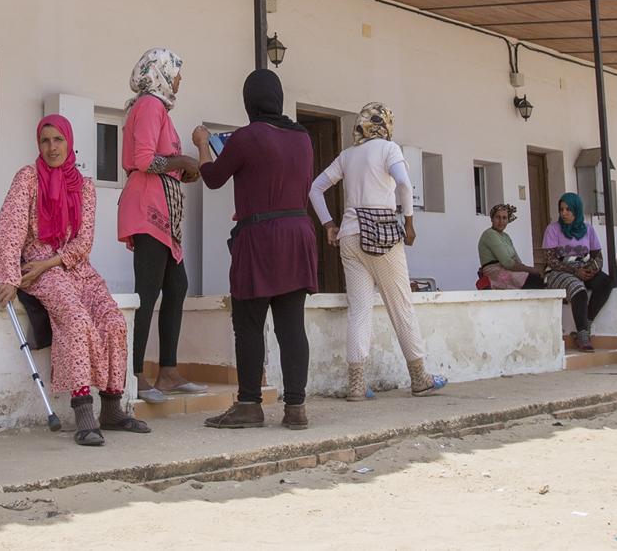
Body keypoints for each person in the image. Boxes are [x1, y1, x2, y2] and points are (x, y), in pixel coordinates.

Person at [0, 115, 149, 447]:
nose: (52, 148)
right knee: (77, 320)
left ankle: (112, 408)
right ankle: (83, 413)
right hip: (38, 267)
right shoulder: (28, 179)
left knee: (113, 321)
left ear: (69, 142)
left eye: (58, 140)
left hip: (75, 266)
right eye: (45, 141)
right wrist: (8, 275)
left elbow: (83, 243)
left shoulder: (84, 186)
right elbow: (10, 229)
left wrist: (57, 260)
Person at [193, 70, 317, 429]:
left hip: (260, 237)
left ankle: (249, 404)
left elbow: (214, 178)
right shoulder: (303, 138)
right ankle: (296, 408)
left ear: (249, 101)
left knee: (248, 323)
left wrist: (202, 143)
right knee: (292, 326)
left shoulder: (247, 137)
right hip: (297, 232)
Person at [308, 102, 448, 400]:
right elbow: (405, 185)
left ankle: (357, 384)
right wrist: (409, 224)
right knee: (401, 305)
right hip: (382, 234)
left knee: (359, 310)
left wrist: (329, 225)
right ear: (385, 124)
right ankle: (419, 377)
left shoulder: (347, 156)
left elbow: (315, 188)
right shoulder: (388, 149)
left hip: (349, 235)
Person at [117, 48, 205, 404]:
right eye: (177, 74)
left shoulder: (158, 110)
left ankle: (167, 371)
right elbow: (142, 160)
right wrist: (183, 159)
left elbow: (160, 163)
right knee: (148, 292)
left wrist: (180, 168)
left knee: (176, 286)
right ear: (162, 73)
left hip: (164, 215)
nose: (180, 81)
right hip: (147, 211)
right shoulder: (150, 105)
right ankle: (134, 374)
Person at [542, 192, 613, 352]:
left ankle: (586, 323)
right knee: (578, 290)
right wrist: (575, 270)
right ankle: (582, 336)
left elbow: (598, 257)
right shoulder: (553, 229)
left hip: (584, 267)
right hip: (559, 271)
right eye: (561, 209)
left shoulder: (588, 229)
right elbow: (551, 261)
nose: (564, 213)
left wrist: (591, 269)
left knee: (605, 282)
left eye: (568, 209)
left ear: (577, 210)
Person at [477, 204, 546, 289]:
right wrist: (530, 269)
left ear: (508, 220)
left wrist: (527, 269)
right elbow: (507, 263)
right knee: (532, 280)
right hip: (494, 273)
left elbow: (516, 259)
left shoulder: (506, 236)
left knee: (537, 279)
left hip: (507, 269)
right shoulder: (489, 234)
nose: (501, 221)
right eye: (497, 217)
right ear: (492, 219)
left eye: (504, 218)